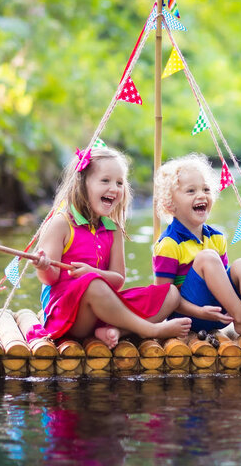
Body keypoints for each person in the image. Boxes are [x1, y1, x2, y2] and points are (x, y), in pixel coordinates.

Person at [27, 146, 191, 349]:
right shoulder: (61, 224)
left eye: (120, 183)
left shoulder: (112, 230)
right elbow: (50, 279)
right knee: (92, 284)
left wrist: (94, 273)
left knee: (170, 294)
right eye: (105, 181)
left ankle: (116, 331)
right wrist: (43, 267)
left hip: (104, 310)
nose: (114, 188)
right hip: (69, 316)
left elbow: (118, 280)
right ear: (81, 184)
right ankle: (149, 329)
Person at [153, 153, 241, 341]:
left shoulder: (217, 237)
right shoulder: (169, 244)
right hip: (188, 317)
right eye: (191, 191)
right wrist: (199, 311)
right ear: (170, 203)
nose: (201, 195)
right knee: (207, 258)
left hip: (221, 314)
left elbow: (223, 284)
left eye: (206, 190)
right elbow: (163, 298)